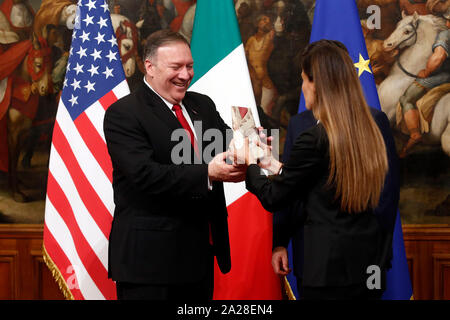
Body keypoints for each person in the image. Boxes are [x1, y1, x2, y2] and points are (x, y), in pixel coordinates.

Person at [234, 40, 398, 299]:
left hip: (327, 271)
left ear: (317, 84)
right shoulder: (368, 129)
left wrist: (250, 163)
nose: (302, 88)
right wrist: (272, 164)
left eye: (304, 80)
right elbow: (325, 181)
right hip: (366, 265)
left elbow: (273, 197)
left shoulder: (315, 137)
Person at [104, 29, 246, 300]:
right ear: (150, 67)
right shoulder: (124, 113)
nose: (185, 75)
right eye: (176, 67)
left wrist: (253, 148)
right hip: (149, 265)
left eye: (189, 66)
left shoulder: (201, 105)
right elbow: (144, 175)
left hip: (199, 259)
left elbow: (229, 143)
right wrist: (208, 172)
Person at [398, 8, 450, 158]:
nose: (447, 22)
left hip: (445, 76)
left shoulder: (446, 35)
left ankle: (415, 134)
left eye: (449, 20)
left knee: (406, 99)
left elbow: (438, 57)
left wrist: (426, 71)